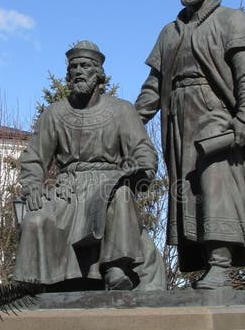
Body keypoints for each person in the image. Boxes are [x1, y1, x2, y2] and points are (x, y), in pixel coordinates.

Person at [135, 0, 245, 288]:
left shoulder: (232, 20)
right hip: (179, 121)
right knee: (189, 190)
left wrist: (244, 118)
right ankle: (205, 262)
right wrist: (130, 122)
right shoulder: (170, 32)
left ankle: (221, 264)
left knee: (216, 182)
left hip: (216, 116)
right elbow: (153, 87)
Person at [13, 41, 165, 290]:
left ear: (99, 73)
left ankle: (115, 268)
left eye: (85, 65)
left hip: (109, 185)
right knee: (35, 220)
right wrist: (31, 186)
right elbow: (34, 157)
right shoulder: (54, 113)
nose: (78, 71)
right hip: (68, 191)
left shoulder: (122, 110)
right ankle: (34, 290)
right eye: (73, 67)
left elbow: (143, 150)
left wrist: (140, 172)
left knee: (122, 194)